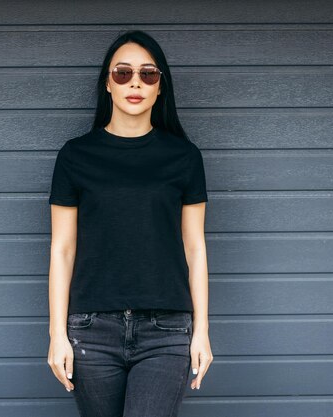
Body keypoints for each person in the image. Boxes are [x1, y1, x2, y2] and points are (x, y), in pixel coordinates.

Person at [46, 29, 213, 417]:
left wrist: (202, 330)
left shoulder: (184, 157)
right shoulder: (75, 156)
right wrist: (57, 334)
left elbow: (195, 248)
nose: (135, 82)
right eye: (122, 73)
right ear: (107, 83)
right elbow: (62, 249)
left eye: (148, 74)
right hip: (91, 330)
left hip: (167, 331)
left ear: (160, 87)